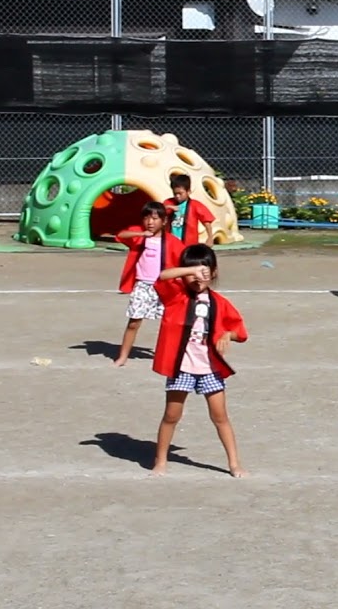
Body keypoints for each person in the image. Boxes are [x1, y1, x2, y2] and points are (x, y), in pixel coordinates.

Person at [150, 244, 249, 477]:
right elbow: (162, 277)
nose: (197, 277)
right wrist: (189, 271)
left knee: (220, 416)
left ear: (213, 273)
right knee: (172, 415)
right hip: (181, 367)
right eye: (190, 272)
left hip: (209, 369)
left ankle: (234, 463)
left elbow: (241, 332)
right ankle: (160, 460)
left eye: (204, 271)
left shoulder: (220, 302)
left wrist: (227, 334)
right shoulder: (176, 296)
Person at [112, 201, 185, 367]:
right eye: (146, 218)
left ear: (164, 221)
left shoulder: (173, 242)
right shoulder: (139, 238)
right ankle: (123, 356)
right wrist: (141, 235)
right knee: (134, 322)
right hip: (142, 285)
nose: (150, 222)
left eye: (155, 218)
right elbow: (121, 235)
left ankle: (173, 354)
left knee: (171, 323)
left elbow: (184, 261)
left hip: (164, 287)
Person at [164, 174, 215, 245]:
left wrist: (210, 237)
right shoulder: (168, 203)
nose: (177, 196)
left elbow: (206, 221)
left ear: (189, 191)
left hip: (189, 243)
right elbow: (158, 212)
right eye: (175, 193)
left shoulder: (195, 205)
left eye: (180, 193)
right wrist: (168, 207)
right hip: (171, 242)